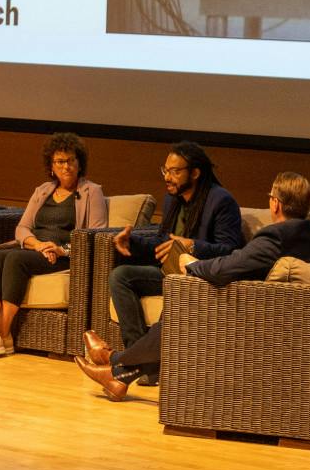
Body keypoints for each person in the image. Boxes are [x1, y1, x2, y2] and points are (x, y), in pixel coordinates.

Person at [77, 171, 310, 398]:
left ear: (275, 203)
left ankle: (115, 361)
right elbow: (240, 260)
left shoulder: (275, 236)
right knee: (179, 302)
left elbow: (227, 268)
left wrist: (191, 264)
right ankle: (120, 376)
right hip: (282, 314)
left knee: (182, 307)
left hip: (247, 314)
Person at [102, 140, 244, 384]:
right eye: (165, 170)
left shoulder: (221, 201)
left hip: (199, 279)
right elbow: (161, 245)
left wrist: (193, 245)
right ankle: (140, 360)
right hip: (169, 272)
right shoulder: (172, 200)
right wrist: (132, 243)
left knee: (177, 289)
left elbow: (231, 250)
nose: (167, 177)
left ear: (195, 173)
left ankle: (134, 364)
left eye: (175, 171)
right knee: (120, 276)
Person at [0, 132, 106, 358]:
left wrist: (61, 249)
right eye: (60, 162)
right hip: (38, 249)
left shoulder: (91, 192)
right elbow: (22, 228)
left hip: (64, 255)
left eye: (71, 160)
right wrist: (38, 245)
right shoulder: (43, 190)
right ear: (51, 166)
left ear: (79, 163)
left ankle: (4, 334)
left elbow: (96, 234)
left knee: (15, 259)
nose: (66, 166)